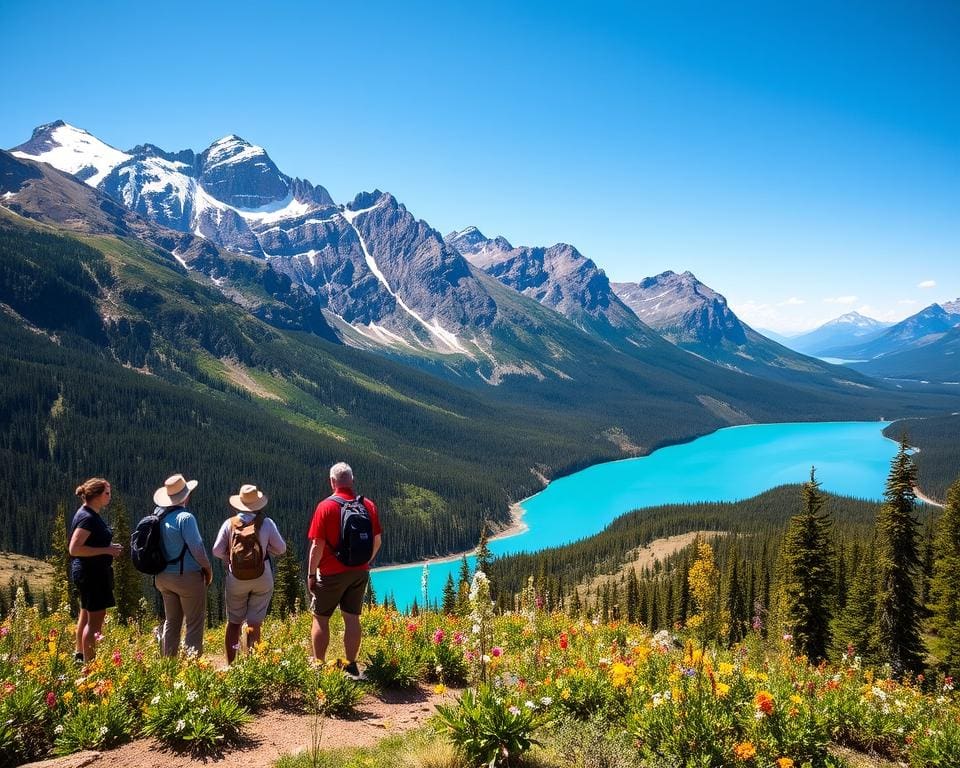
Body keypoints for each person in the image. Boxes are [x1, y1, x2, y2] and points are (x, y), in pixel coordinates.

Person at [306, 462, 382, 678]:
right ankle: (351, 666)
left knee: (321, 617)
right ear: (352, 481)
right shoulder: (367, 505)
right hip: (359, 571)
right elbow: (377, 540)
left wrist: (311, 574)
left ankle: (319, 667)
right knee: (352, 618)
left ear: (332, 482)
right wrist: (366, 561)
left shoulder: (325, 507)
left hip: (331, 573)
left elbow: (316, 547)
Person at [212, 484, 287, 663]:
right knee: (254, 624)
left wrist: (229, 557)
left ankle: (232, 663)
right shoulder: (266, 523)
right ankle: (253, 663)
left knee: (234, 623)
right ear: (258, 504)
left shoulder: (229, 524)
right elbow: (281, 548)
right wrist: (267, 548)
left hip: (236, 578)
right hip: (262, 576)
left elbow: (216, 550)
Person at [152, 474, 213, 657]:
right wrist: (207, 569)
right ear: (186, 496)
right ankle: (191, 667)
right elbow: (197, 548)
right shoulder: (185, 518)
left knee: (172, 622)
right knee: (194, 623)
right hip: (186, 576)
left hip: (162, 577)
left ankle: (168, 665)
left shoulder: (158, 515)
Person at [69, 478, 123, 663]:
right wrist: (107, 550)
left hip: (89, 573)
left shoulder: (87, 513)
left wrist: (106, 547)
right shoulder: (88, 518)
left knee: (85, 613)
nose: (110, 497)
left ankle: (79, 655)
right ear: (96, 496)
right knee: (95, 623)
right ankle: (89, 667)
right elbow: (74, 548)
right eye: (107, 493)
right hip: (92, 574)